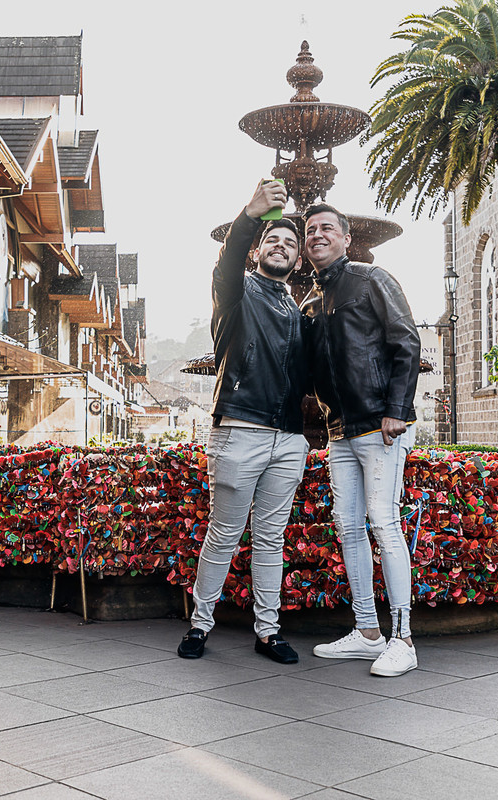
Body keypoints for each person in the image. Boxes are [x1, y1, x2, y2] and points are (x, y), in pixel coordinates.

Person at [177, 180, 309, 664]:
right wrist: (249, 214)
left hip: (288, 440)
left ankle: (269, 632)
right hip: (238, 430)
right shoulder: (237, 294)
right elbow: (225, 263)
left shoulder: (298, 309)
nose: (282, 246)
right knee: (224, 535)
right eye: (273, 240)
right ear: (258, 250)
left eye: (290, 244)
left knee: (272, 541)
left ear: (298, 261)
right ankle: (199, 625)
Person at [299, 202, 422, 677]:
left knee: (383, 523)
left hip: (380, 425)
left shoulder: (372, 279)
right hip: (339, 432)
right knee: (347, 526)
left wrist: (397, 409)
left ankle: (403, 639)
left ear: (347, 239)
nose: (317, 235)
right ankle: (368, 632)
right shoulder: (310, 302)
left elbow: (405, 341)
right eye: (311, 230)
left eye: (327, 228)